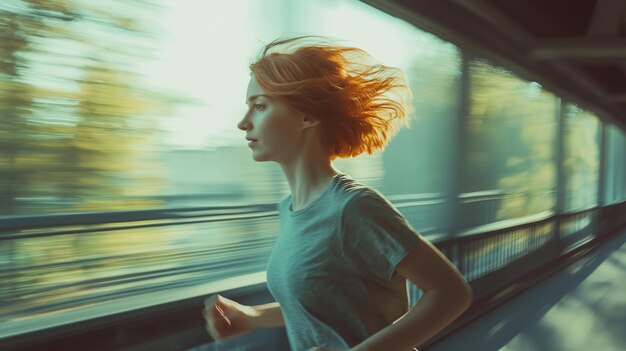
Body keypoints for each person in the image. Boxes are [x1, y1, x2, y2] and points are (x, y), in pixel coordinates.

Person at [203, 36, 473, 351]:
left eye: (260, 106)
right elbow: (326, 304)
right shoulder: (289, 209)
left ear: (307, 116)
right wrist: (251, 316)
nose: (243, 123)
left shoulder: (355, 207)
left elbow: (451, 293)